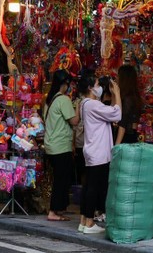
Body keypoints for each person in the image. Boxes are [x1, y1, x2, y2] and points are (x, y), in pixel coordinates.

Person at [77, 72, 121, 234]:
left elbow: (110, 113)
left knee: (89, 186)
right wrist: (116, 93)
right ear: (90, 88)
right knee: (94, 188)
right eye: (97, 85)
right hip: (98, 151)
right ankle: (89, 222)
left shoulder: (85, 104)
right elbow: (117, 114)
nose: (99, 88)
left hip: (92, 149)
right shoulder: (92, 105)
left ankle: (83, 220)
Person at [43, 69, 79, 222]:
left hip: (51, 145)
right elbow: (74, 121)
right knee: (61, 180)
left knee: (59, 178)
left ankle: (57, 209)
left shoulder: (49, 100)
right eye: (68, 84)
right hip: (61, 146)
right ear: (64, 84)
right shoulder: (63, 100)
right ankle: (53, 212)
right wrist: (78, 105)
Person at [115, 64, 143, 145]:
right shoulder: (133, 96)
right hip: (130, 135)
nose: (116, 78)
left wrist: (117, 146)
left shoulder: (127, 98)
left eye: (118, 76)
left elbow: (123, 124)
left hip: (125, 137)